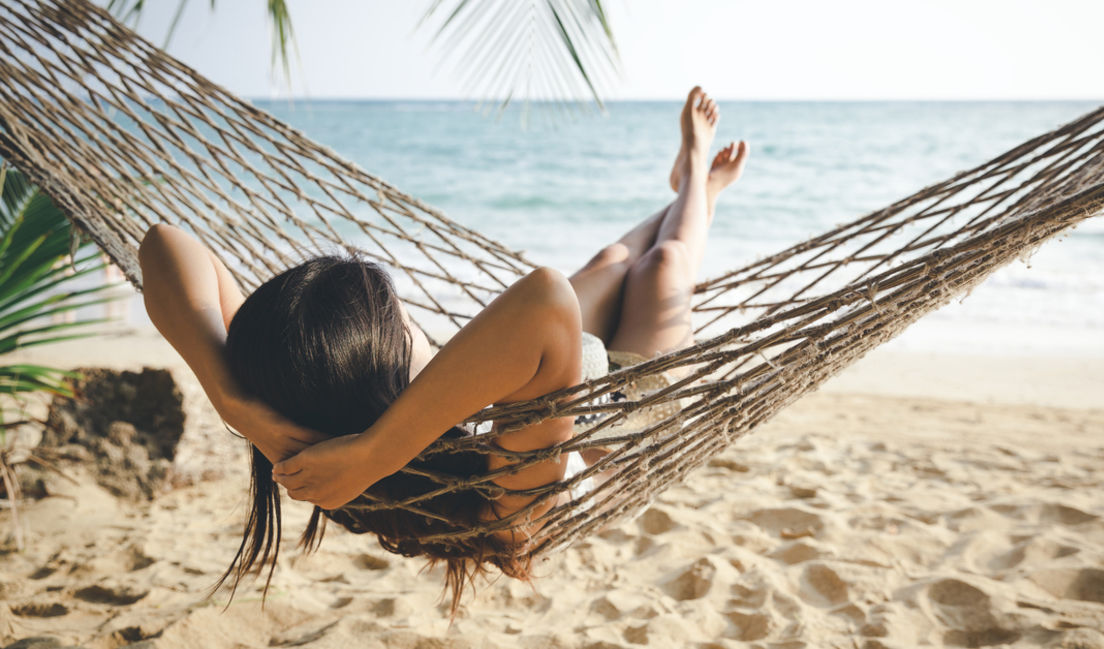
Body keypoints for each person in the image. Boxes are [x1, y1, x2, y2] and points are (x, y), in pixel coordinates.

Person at [138, 87, 749, 610]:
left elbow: (164, 244)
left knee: (613, 261)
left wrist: (236, 406)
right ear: (388, 384)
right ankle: (700, 183)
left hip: (543, 365)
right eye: (409, 330)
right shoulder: (499, 490)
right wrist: (376, 453)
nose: (419, 326)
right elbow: (545, 301)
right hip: (614, 408)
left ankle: (679, 197)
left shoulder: (304, 416)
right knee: (662, 265)